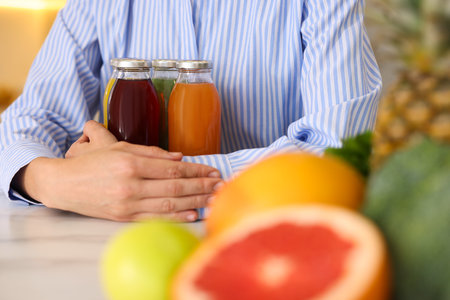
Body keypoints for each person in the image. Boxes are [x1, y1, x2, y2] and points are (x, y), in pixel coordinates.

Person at [0, 0, 382, 222]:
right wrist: (50, 180)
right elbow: (29, 119)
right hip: (111, 243)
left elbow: (338, 151)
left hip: (264, 228)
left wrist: (144, 184)